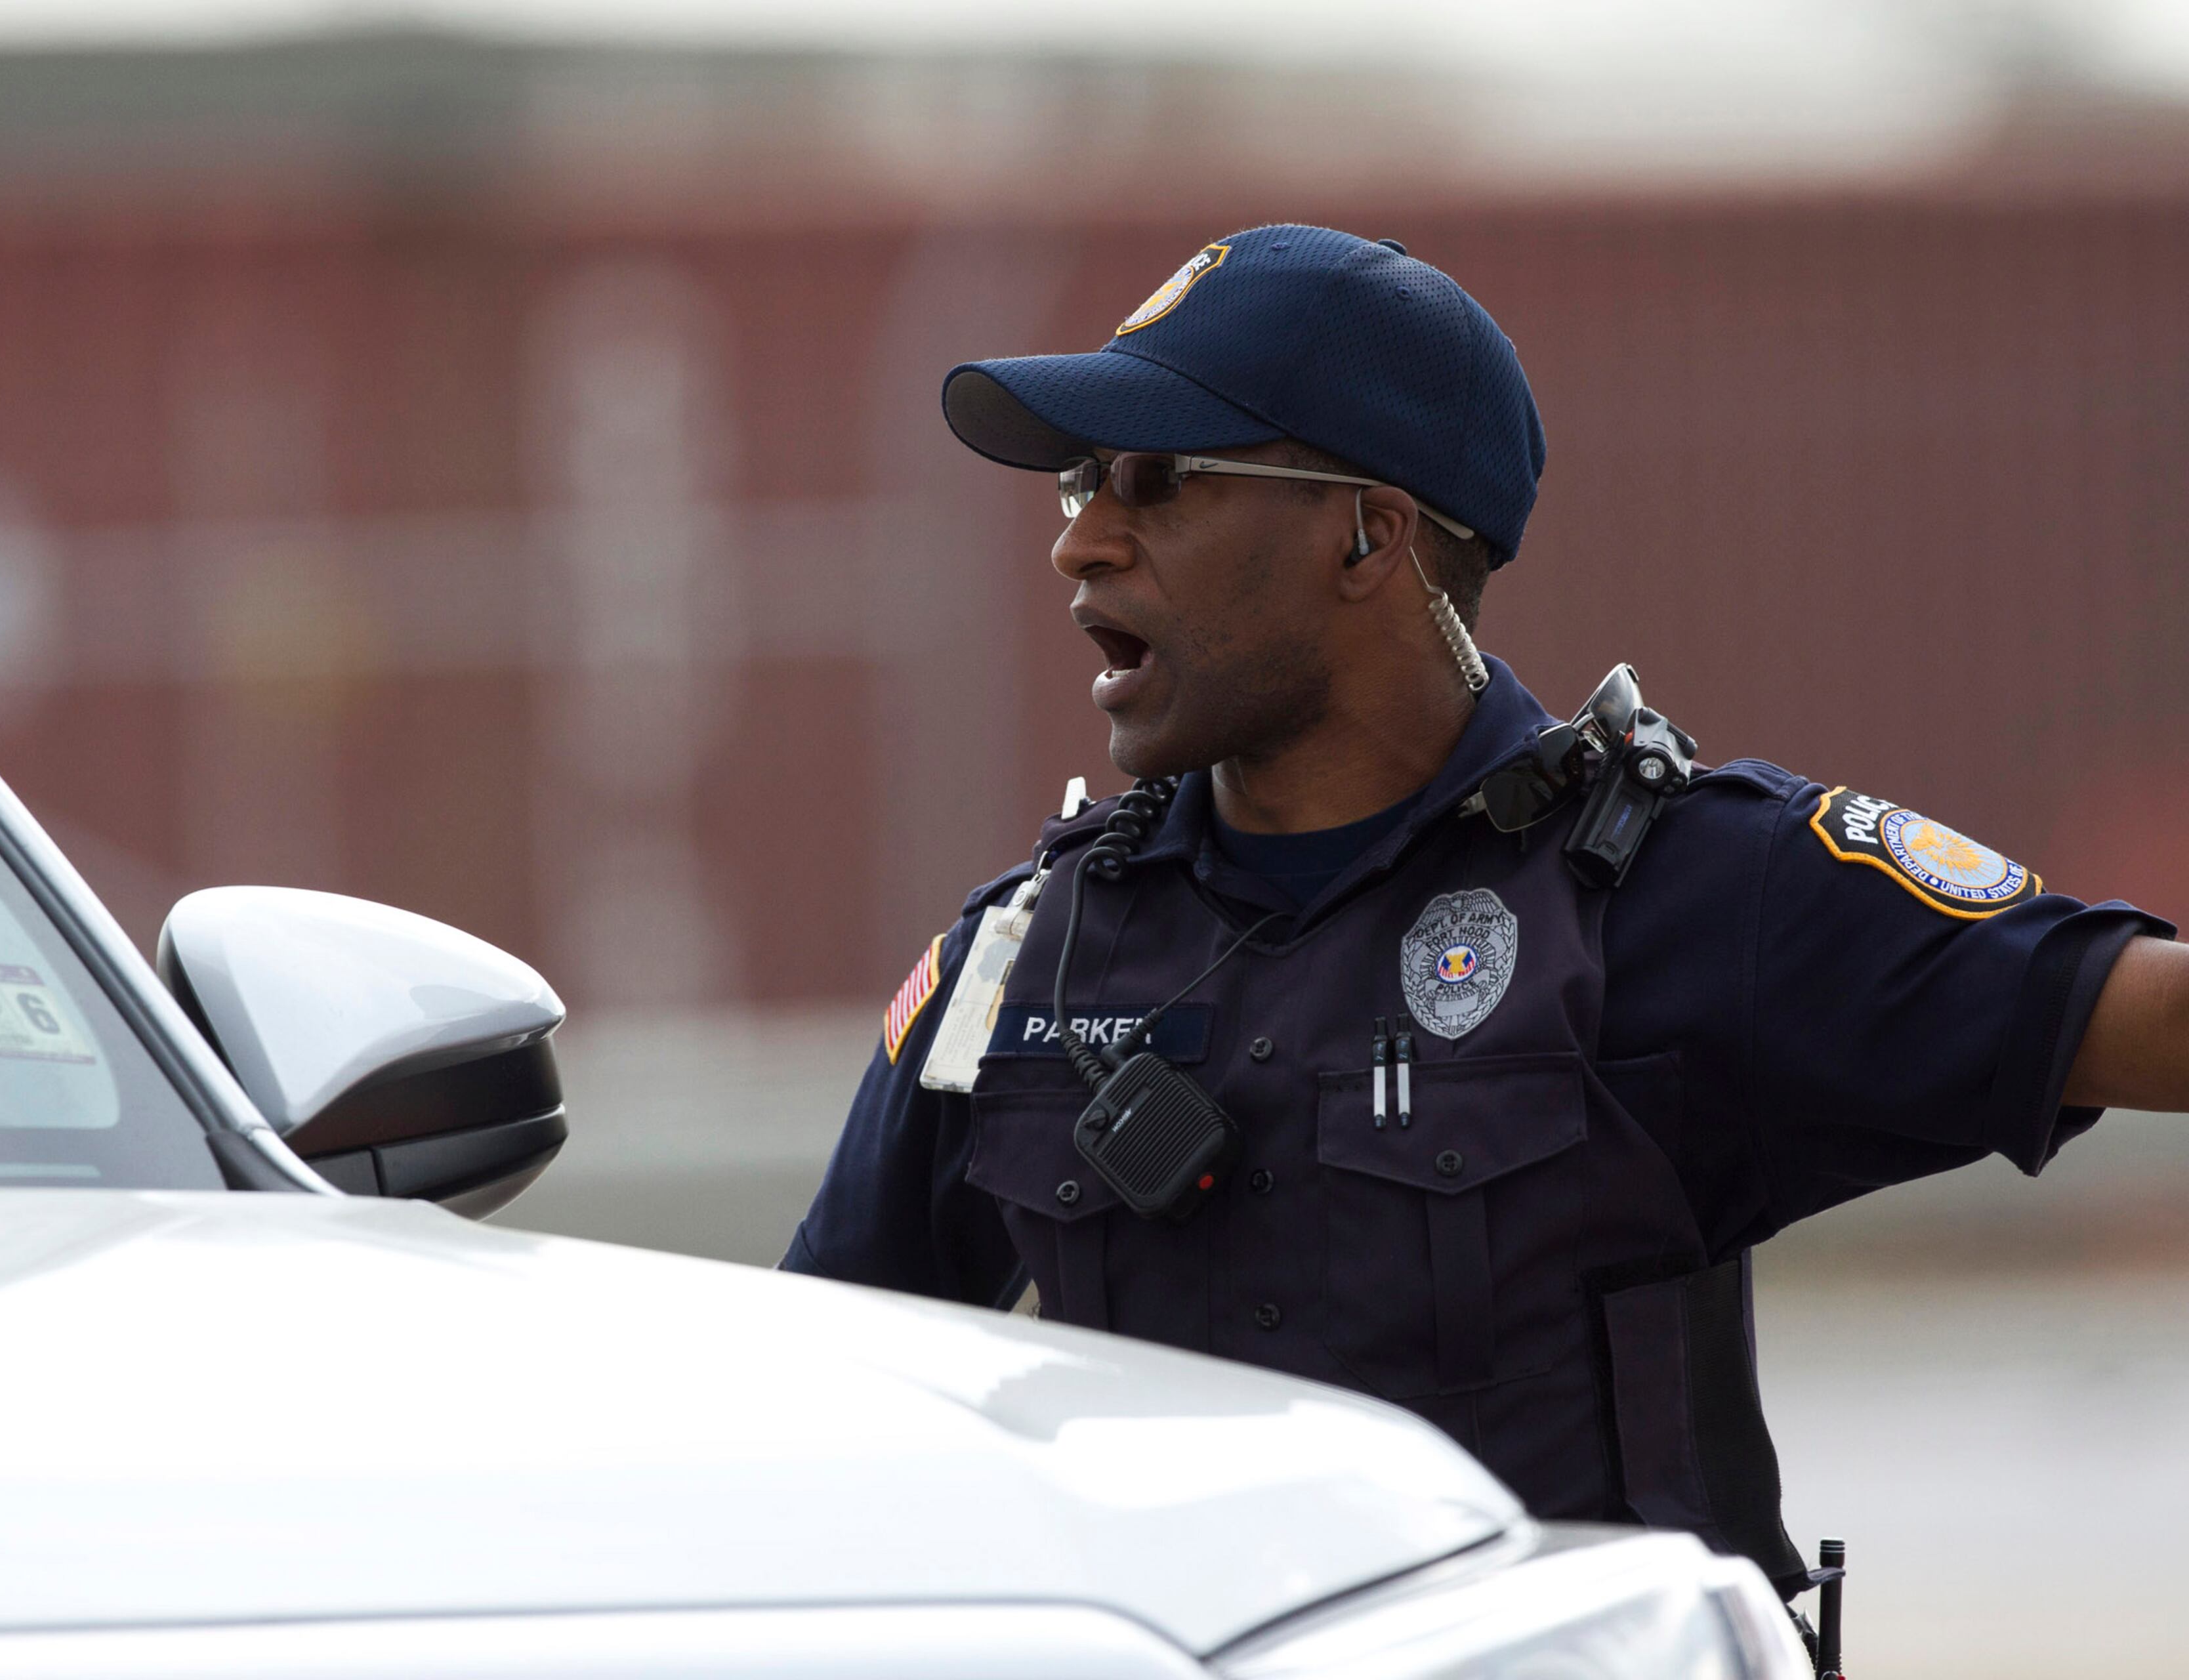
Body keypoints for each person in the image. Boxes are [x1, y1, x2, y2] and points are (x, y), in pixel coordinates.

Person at [782, 222, 2189, 1593]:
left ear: (1368, 535)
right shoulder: (1024, 958)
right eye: (1081, 480)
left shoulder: (1691, 888)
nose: (1081, 543)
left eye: (1154, 477)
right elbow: (814, 1425)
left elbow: (2155, 1019)